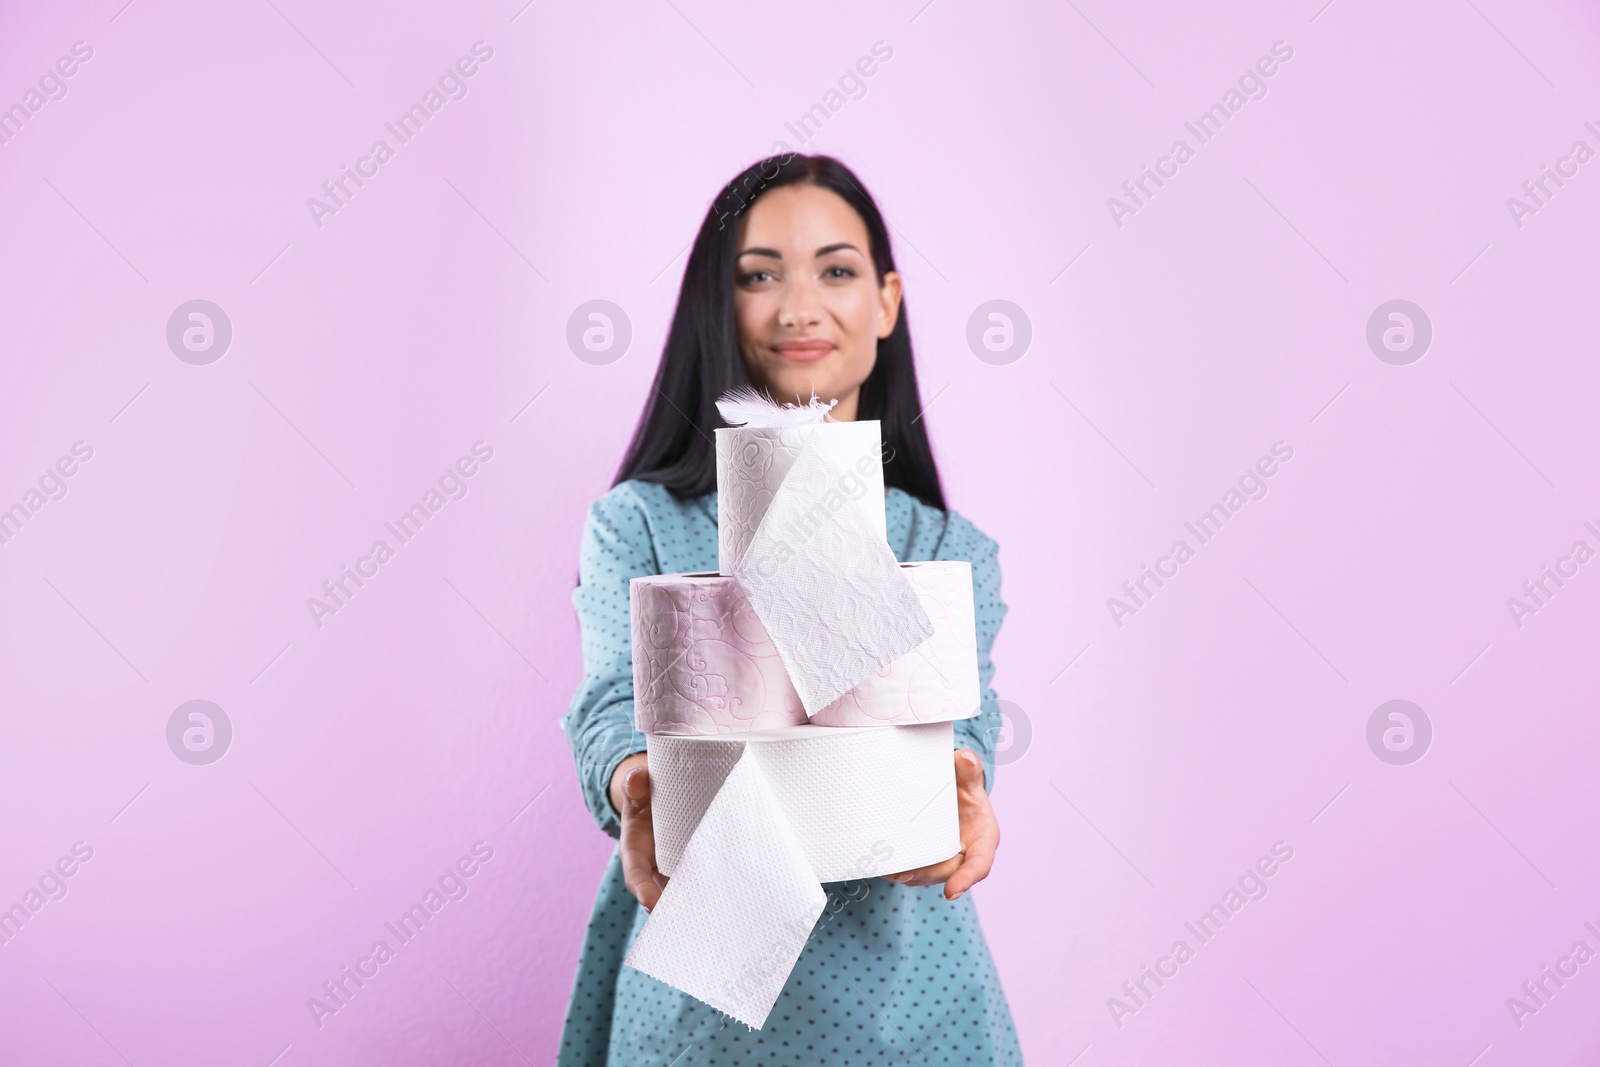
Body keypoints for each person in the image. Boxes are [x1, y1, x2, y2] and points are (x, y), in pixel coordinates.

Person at [558, 153, 1023, 1065]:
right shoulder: (642, 522)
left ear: (887, 302)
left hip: (909, 1001)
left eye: (837, 270)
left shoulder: (944, 544)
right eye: (759, 273)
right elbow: (614, 698)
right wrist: (638, 786)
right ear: (716, 306)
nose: (799, 306)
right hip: (704, 996)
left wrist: (961, 778)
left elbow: (960, 718)